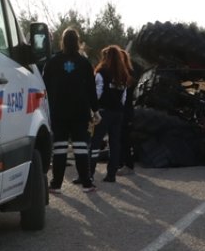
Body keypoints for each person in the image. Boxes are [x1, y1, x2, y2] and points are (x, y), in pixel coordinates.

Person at [42, 28, 98, 192]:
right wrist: (96, 110)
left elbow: (44, 87)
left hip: (58, 112)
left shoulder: (52, 62)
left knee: (59, 148)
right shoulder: (84, 63)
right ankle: (86, 183)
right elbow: (91, 89)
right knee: (81, 147)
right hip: (80, 112)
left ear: (62, 41)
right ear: (78, 42)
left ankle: (56, 184)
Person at [90, 45, 131, 183]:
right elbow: (124, 97)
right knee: (114, 144)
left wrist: (93, 109)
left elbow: (97, 93)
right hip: (118, 113)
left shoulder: (101, 72)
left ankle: (89, 172)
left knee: (95, 142)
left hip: (103, 112)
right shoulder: (123, 74)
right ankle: (111, 174)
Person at [117, 47, 138, 175]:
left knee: (124, 139)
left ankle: (128, 165)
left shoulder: (127, 75)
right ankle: (121, 163)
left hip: (125, 111)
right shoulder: (128, 73)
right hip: (125, 111)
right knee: (121, 138)